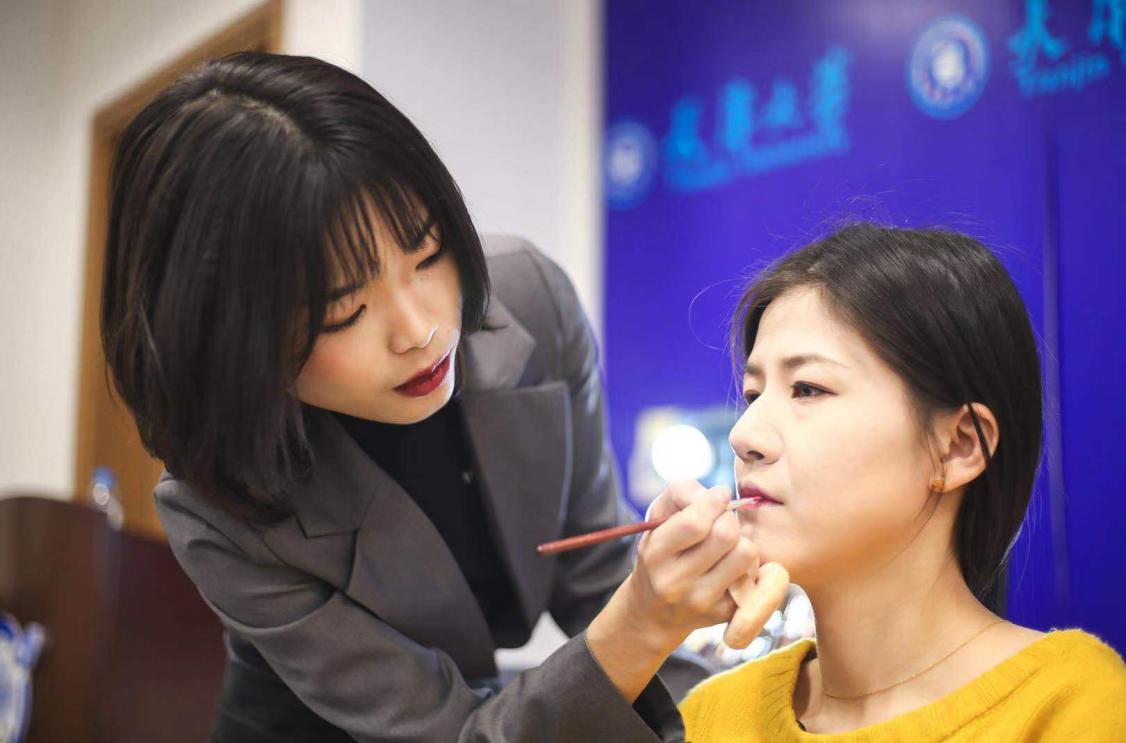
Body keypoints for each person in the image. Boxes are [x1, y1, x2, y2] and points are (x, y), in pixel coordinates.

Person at [101, 51, 786, 742]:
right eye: (344, 311)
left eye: (428, 254)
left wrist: (729, 703)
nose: (420, 330)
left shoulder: (530, 298)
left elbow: (594, 579)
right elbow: (454, 732)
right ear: (236, 338)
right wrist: (641, 618)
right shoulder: (216, 507)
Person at [679, 223, 1126, 741]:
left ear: (958, 447)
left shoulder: (1074, 707)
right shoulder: (710, 716)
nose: (743, 435)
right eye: (754, 395)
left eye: (808, 388)